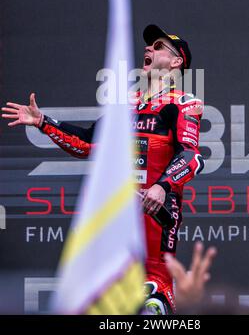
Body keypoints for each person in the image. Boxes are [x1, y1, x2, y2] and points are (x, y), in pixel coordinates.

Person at [2, 24, 204, 314]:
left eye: (158, 46)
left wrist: (162, 187)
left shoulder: (184, 104)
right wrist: (42, 121)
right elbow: (87, 144)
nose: (148, 49)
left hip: (154, 215)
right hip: (115, 215)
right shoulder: (126, 103)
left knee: (153, 299)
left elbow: (192, 156)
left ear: (176, 61)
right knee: (104, 302)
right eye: (148, 45)